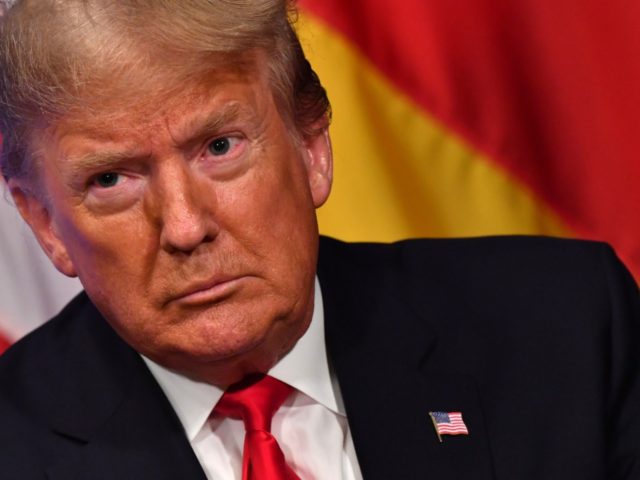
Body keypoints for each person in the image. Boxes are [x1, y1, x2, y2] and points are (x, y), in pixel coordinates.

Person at [0, 1, 638, 479]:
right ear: (46, 224)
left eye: (220, 147)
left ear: (312, 146)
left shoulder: (566, 330)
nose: (186, 227)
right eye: (111, 179)